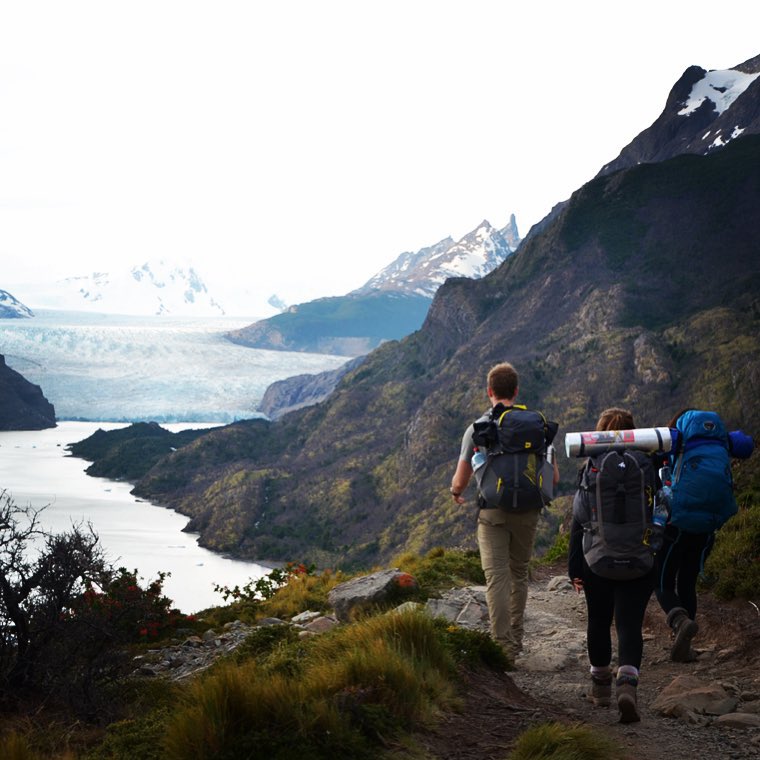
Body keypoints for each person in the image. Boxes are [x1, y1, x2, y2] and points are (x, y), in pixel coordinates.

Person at [450, 361, 559, 664]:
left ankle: (502, 647)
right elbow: (554, 478)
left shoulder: (478, 429)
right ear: (516, 391)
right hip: (529, 510)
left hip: (493, 511)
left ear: (489, 392)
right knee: (519, 573)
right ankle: (517, 640)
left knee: (497, 577)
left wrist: (456, 493)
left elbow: (461, 479)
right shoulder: (537, 425)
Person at [568, 407, 656, 724]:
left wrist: (574, 567)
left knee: (599, 619)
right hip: (640, 558)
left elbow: (579, 519)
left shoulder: (592, 466)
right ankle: (628, 687)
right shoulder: (647, 466)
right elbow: (662, 510)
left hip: (597, 560)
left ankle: (601, 686)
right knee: (630, 624)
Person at [654, 409, 754, 662]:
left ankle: (679, 622)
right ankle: (686, 646)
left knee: (662, 581)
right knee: (687, 581)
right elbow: (746, 446)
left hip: (678, 523)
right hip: (709, 523)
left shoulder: (675, 439)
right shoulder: (720, 439)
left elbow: (652, 457)